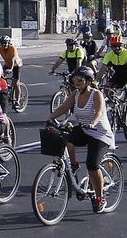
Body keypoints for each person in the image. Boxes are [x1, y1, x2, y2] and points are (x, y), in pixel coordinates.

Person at [47, 67, 114, 212]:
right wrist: (50, 118)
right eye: (75, 79)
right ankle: (73, 164)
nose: (76, 82)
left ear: (88, 81)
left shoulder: (96, 94)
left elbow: (99, 111)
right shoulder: (75, 94)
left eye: (80, 79)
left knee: (92, 165)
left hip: (100, 134)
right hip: (85, 130)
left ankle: (100, 196)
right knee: (65, 138)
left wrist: (93, 123)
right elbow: (64, 107)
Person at [99, 35, 127, 128]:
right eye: (114, 46)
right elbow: (102, 69)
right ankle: (113, 105)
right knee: (107, 88)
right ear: (111, 47)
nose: (117, 48)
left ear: (122, 45)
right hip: (118, 76)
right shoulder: (109, 55)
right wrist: (96, 81)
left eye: (119, 45)